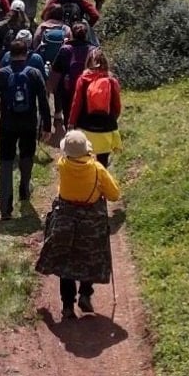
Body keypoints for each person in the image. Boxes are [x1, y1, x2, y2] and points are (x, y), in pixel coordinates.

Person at [35, 130, 121, 319]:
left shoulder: (63, 165)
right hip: (91, 222)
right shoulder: (97, 169)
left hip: (66, 219)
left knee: (66, 261)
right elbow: (114, 194)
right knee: (88, 258)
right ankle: (85, 294)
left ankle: (67, 306)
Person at [0, 40, 52, 220]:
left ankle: (5, 209)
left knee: (6, 163)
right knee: (26, 157)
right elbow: (43, 102)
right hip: (28, 124)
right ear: (26, 54)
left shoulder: (2, 73)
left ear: (10, 54)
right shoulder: (34, 73)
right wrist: (46, 126)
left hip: (7, 125)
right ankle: (24, 188)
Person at [68, 49, 123, 168]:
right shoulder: (111, 81)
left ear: (88, 62)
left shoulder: (83, 79)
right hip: (106, 127)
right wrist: (113, 119)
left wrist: (71, 123)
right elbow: (117, 106)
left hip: (85, 127)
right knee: (102, 162)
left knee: (84, 161)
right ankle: (101, 182)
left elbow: (76, 104)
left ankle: (87, 182)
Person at [47, 22, 93, 125]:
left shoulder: (65, 49)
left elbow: (56, 71)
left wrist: (50, 88)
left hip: (68, 91)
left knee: (69, 119)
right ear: (86, 34)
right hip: (88, 91)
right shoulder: (93, 50)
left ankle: (71, 137)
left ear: (71, 34)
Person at [32, 4, 73, 70]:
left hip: (43, 61)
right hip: (60, 63)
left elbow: (35, 43)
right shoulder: (66, 28)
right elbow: (71, 46)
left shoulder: (42, 27)